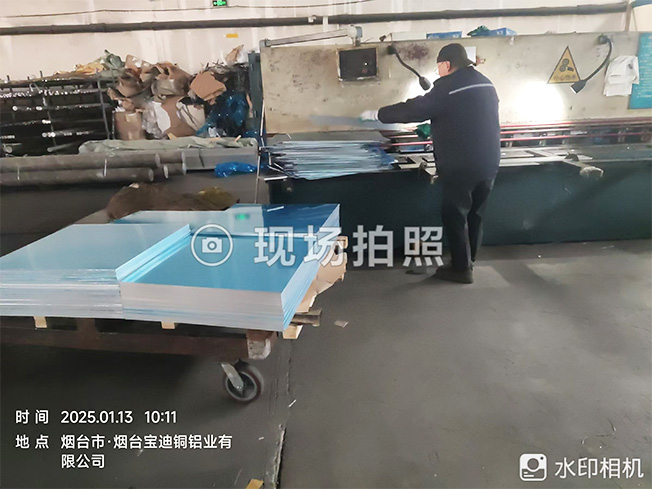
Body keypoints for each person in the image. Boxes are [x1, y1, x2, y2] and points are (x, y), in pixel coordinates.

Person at [361, 43, 500, 284]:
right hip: (489, 161)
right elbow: (465, 116)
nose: (438, 72)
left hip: (462, 165)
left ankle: (461, 269)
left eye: (438, 68)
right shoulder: (486, 83)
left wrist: (378, 114)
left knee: (455, 214)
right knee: (476, 213)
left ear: (446, 64)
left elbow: (415, 109)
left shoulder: (449, 87)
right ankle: (469, 260)